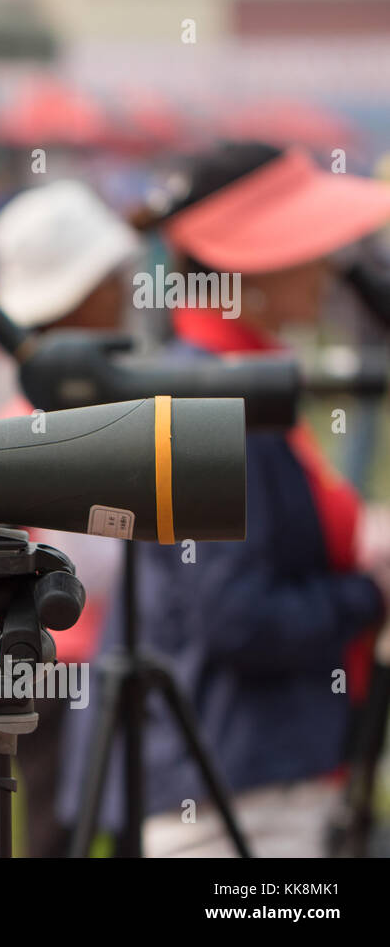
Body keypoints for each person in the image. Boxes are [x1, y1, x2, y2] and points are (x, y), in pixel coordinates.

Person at [58, 143, 390, 857]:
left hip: (244, 777)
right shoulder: (213, 399)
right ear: (252, 263)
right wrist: (370, 593)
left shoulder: (226, 379)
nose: (332, 266)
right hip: (235, 796)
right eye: (309, 243)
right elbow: (238, 616)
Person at [0, 179, 139, 857]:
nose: (128, 291)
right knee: (60, 836)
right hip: (62, 659)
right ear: (78, 292)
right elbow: (101, 561)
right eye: (113, 277)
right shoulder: (64, 404)